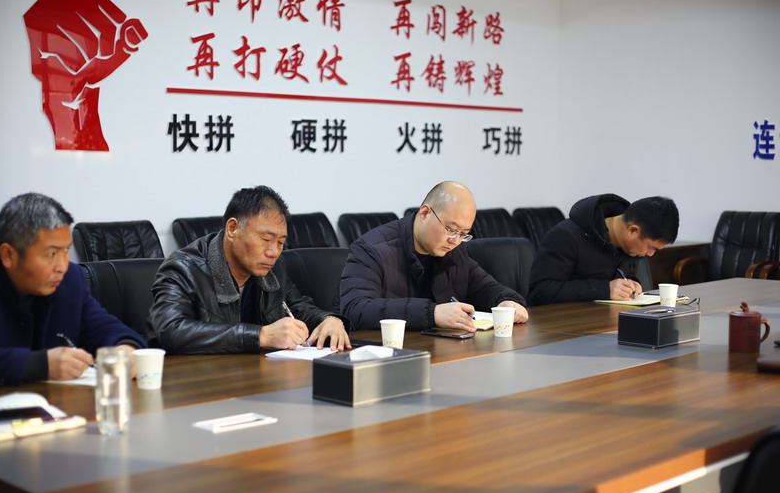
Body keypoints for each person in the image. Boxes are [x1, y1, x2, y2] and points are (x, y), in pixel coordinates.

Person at [146, 186, 351, 354]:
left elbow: (297, 307)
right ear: (232, 229)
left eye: (280, 242)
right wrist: (260, 336)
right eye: (265, 239)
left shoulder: (274, 267)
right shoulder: (183, 268)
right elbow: (170, 331)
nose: (273, 252)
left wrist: (329, 320)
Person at [0, 193, 145, 386]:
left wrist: (126, 348)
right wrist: (37, 365)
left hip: (59, 403)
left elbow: (103, 327)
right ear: (8, 254)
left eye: (66, 251)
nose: (62, 266)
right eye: (51, 254)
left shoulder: (70, 279)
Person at [337, 181, 529, 332]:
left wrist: (506, 301)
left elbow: (484, 286)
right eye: (451, 229)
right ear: (425, 213)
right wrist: (432, 313)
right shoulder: (372, 248)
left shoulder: (453, 250)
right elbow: (356, 309)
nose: (455, 240)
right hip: (385, 351)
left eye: (464, 234)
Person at [528, 194, 679, 306]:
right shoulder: (565, 236)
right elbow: (540, 292)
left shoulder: (630, 247)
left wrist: (631, 285)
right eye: (651, 248)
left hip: (608, 322)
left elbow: (620, 278)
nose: (650, 254)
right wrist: (605, 289)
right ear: (632, 231)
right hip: (563, 328)